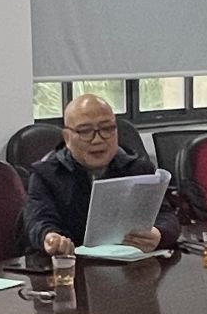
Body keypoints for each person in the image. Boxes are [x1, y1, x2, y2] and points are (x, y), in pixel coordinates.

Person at [22, 94, 181, 257]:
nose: (97, 140)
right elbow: (37, 220)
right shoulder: (46, 174)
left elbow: (167, 216)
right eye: (85, 131)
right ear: (67, 138)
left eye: (107, 129)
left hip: (130, 264)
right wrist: (50, 237)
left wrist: (158, 234)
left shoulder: (138, 168)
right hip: (72, 264)